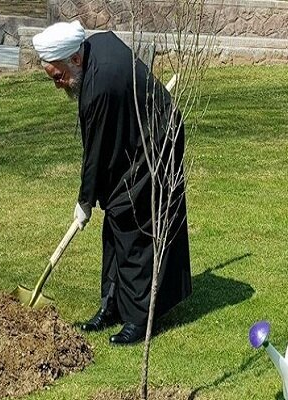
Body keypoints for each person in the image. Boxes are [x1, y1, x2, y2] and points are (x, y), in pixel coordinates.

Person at [32, 21, 192, 345]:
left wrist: (84, 202)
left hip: (158, 140)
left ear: (74, 59)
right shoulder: (96, 47)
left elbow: (95, 154)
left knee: (134, 222)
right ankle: (112, 305)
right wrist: (93, 200)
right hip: (135, 134)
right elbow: (103, 146)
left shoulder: (98, 88)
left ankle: (138, 318)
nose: (58, 85)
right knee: (116, 219)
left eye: (58, 76)